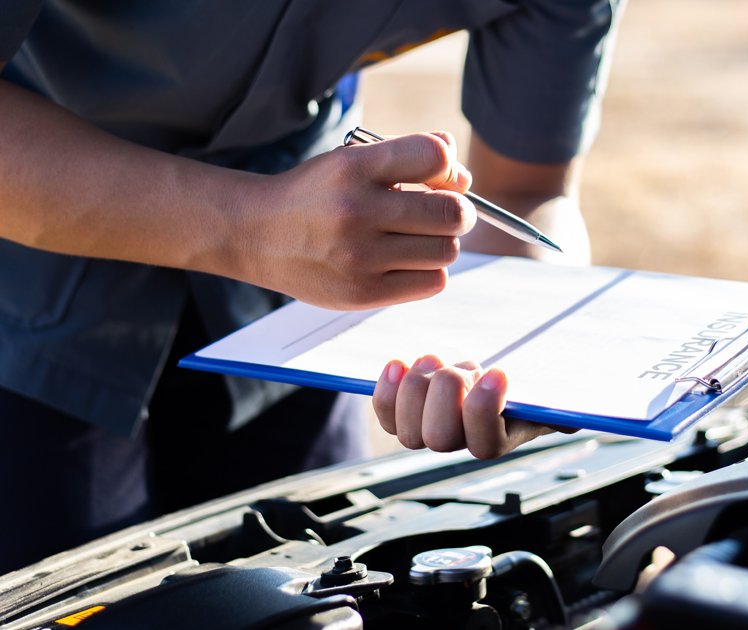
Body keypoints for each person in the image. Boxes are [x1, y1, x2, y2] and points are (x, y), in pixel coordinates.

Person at [0, 1, 623, 573]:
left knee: (314, 581)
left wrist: (525, 354)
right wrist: (247, 228)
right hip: (24, 278)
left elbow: (524, 193)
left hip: (298, 306)